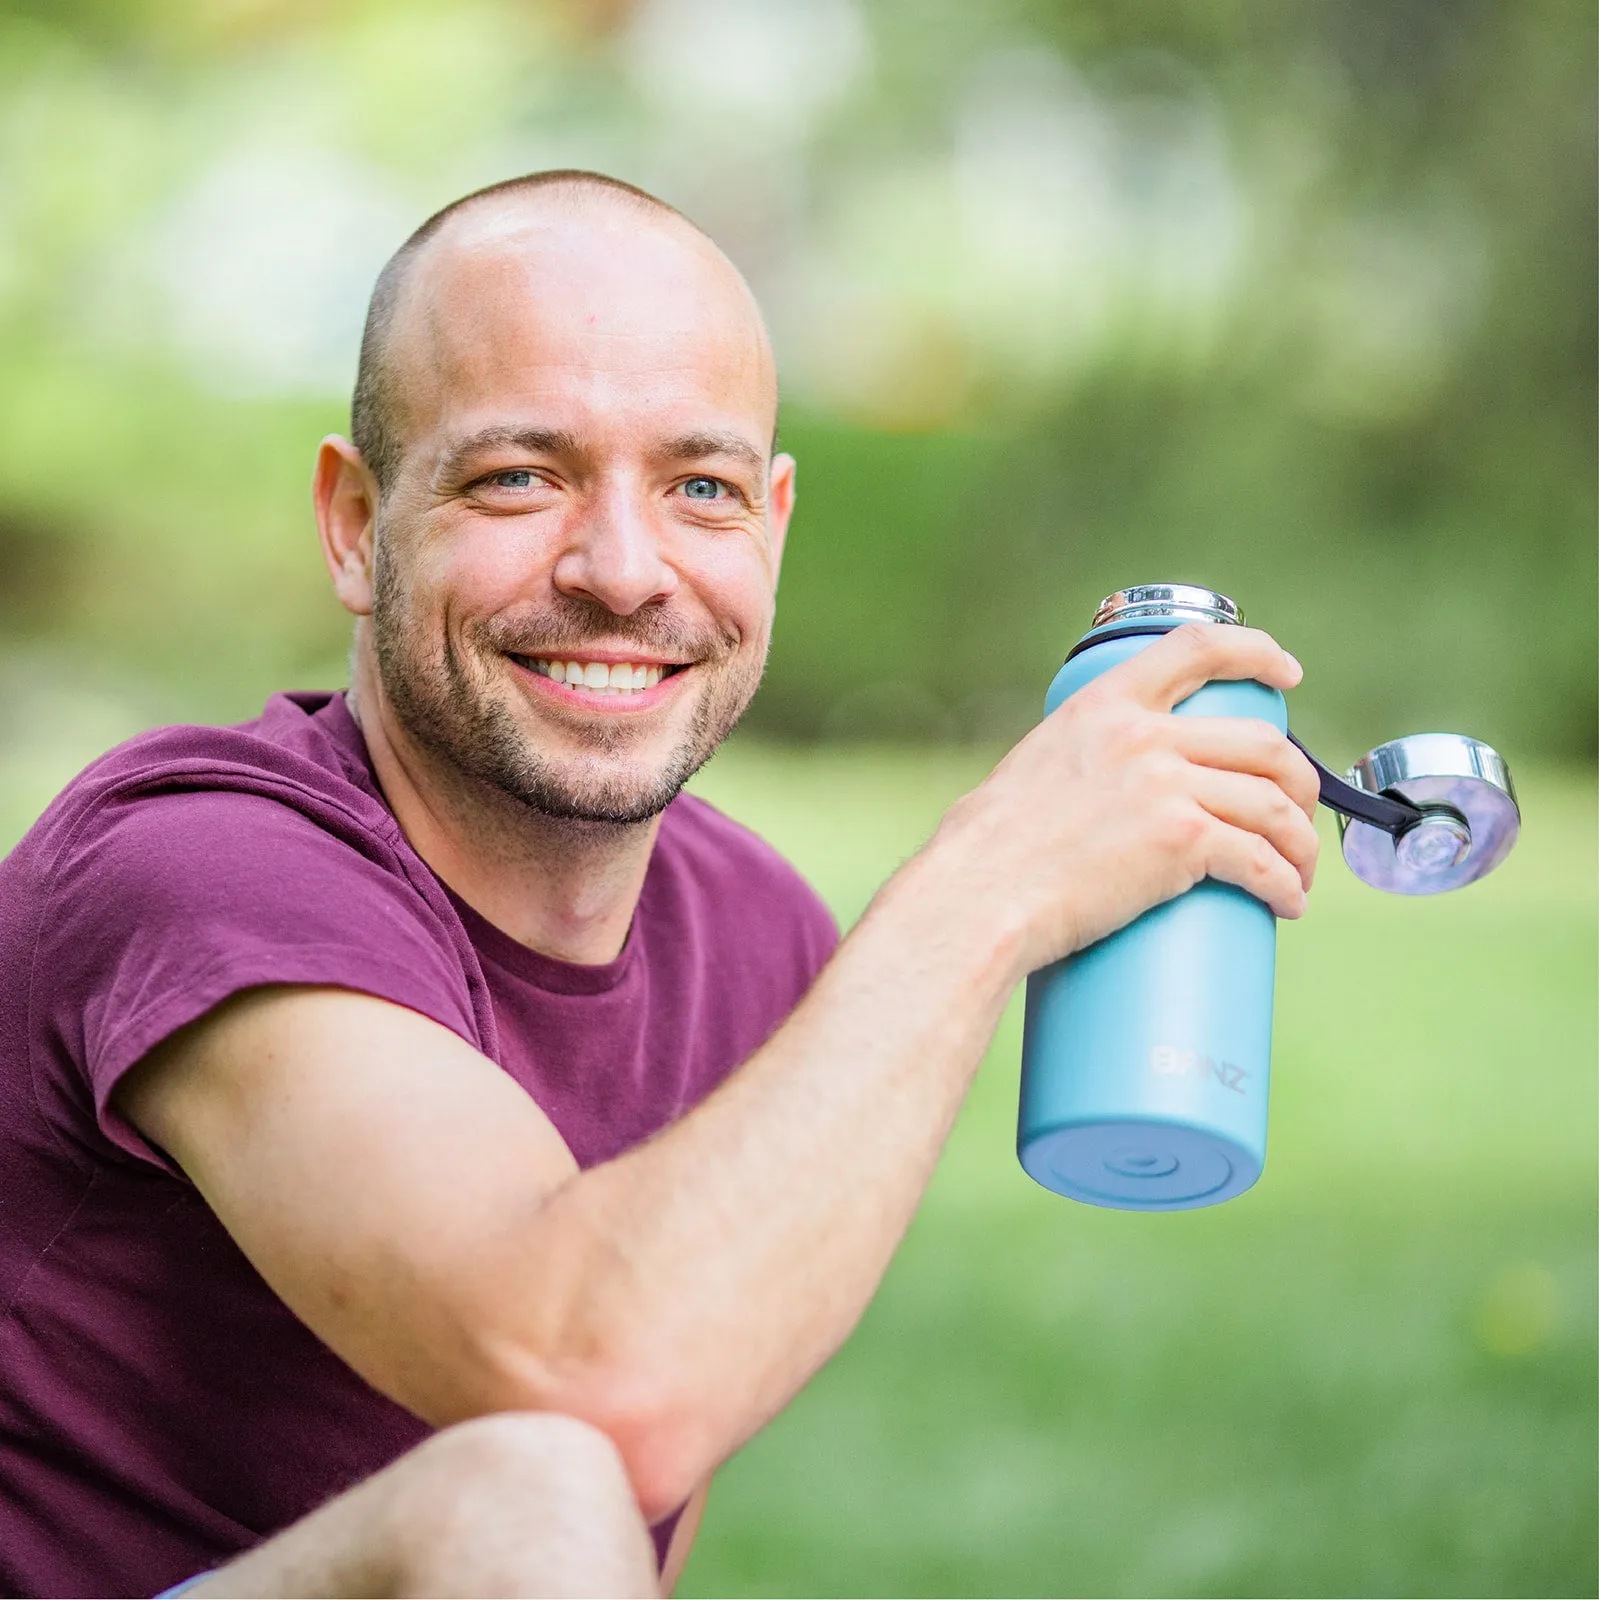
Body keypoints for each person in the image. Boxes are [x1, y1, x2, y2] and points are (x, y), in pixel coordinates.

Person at [0, 170, 1320, 1599]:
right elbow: (586, 1383)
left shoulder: (757, 942)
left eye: (700, 487)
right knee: (514, 1496)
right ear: (353, 524)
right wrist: (989, 885)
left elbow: (635, 1517)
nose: (623, 572)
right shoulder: (193, 868)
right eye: (519, 476)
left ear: (774, 522)